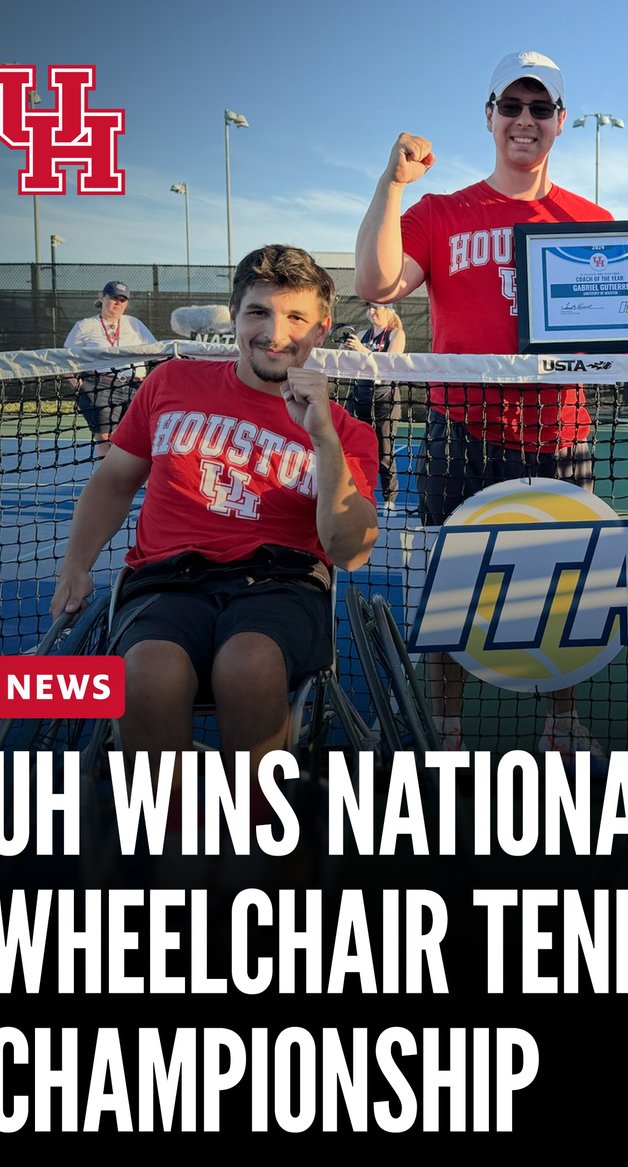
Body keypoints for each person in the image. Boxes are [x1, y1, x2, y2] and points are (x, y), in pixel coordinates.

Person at [355, 50, 628, 753]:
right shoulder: (439, 211)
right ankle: (447, 728)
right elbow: (377, 282)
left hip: (558, 436)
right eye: (511, 106)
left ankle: (561, 722)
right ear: (489, 117)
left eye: (540, 108)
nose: (525, 120)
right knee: (453, 596)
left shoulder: (590, 218)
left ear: (561, 122)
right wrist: (392, 184)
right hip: (460, 433)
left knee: (564, 595)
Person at [51, 244, 379, 794]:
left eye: (295, 317)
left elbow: (349, 550)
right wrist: (75, 566)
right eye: (258, 312)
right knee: (148, 672)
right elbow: (113, 482)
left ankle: (256, 835)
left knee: (248, 665)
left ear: (320, 330)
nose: (275, 332)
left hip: (282, 582)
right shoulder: (170, 385)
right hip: (166, 580)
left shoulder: (346, 431)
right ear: (235, 317)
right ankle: (173, 842)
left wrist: (321, 437)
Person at [63, 281, 157, 458]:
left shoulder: (135, 324)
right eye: (114, 298)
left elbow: (155, 351)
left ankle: (141, 482)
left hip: (134, 388)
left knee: (135, 438)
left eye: (123, 300)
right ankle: (109, 483)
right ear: (102, 297)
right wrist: (76, 384)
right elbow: (65, 359)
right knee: (105, 440)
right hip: (99, 388)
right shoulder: (84, 326)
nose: (118, 303)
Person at [342, 301, 405, 506]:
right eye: (369, 308)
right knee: (353, 447)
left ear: (388, 310)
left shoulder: (396, 334)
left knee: (384, 451)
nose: (371, 312)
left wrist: (361, 350)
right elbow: (348, 365)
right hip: (360, 396)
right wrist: (345, 351)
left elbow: (388, 365)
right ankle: (357, 493)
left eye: (375, 308)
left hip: (385, 399)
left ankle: (389, 500)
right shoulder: (362, 335)